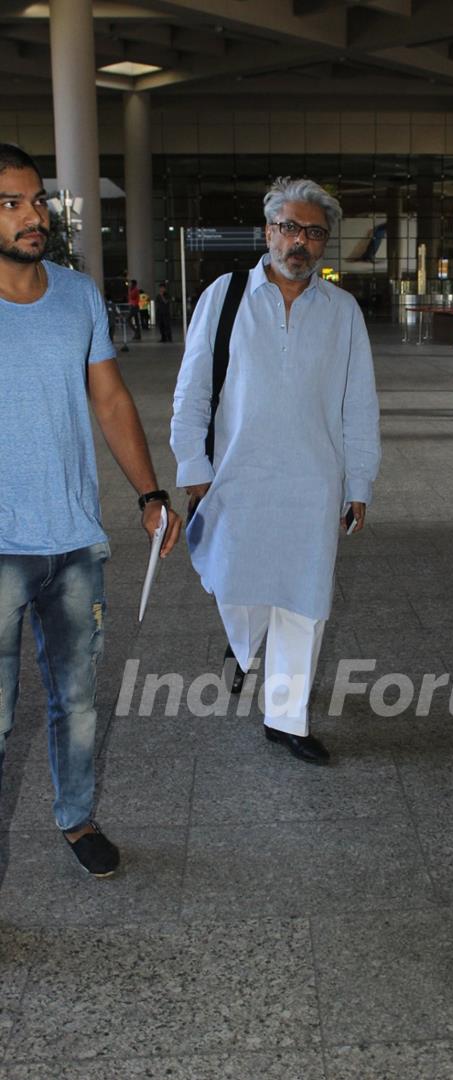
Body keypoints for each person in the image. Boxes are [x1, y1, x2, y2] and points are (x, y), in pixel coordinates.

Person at [0, 144, 181, 876]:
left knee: (76, 702)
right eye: (10, 204)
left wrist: (148, 492)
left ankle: (76, 819)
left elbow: (108, 399)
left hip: (74, 542)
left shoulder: (75, 295)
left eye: (36, 200)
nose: (31, 215)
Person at [171, 176, 381, 765]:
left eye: (314, 233)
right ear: (268, 232)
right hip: (236, 479)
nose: (300, 242)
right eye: (290, 228)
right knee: (237, 588)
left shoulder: (342, 312)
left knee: (305, 600)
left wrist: (358, 482)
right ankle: (243, 647)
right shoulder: (226, 295)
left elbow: (358, 404)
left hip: (314, 484)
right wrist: (194, 465)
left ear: (324, 243)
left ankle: (286, 719)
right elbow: (193, 390)